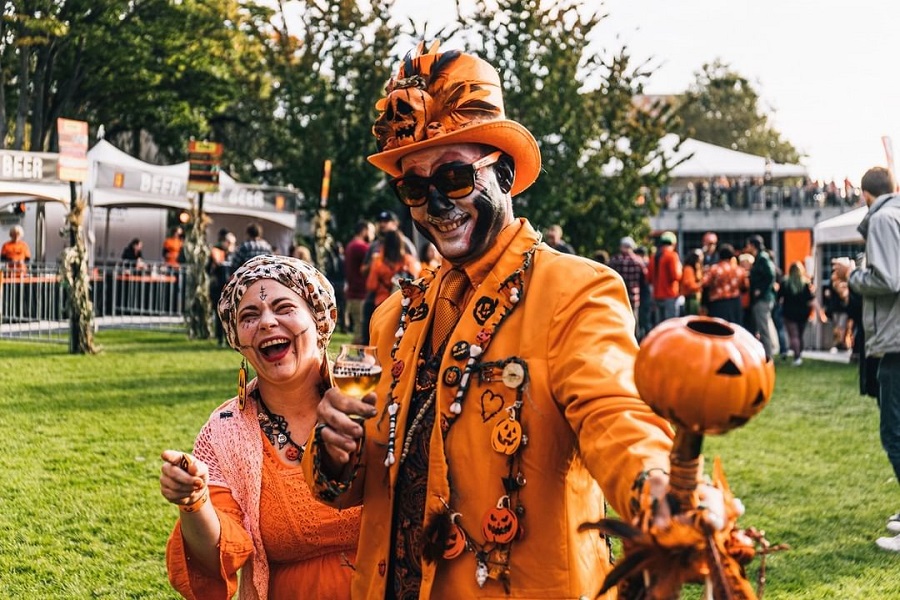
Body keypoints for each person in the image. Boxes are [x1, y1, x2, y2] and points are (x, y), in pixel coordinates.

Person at [303, 42, 679, 599]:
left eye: (455, 177)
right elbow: (360, 477)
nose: (436, 203)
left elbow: (615, 412)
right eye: (414, 186)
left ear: (502, 173)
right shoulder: (391, 317)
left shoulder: (576, 290)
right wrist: (334, 448)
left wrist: (656, 491)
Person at [159, 254, 361, 598]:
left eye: (284, 308)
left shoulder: (370, 398)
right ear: (237, 339)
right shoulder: (223, 433)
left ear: (321, 320)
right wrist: (195, 502)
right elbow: (218, 556)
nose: (267, 323)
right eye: (249, 316)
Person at [832, 166, 900, 552]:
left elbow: (888, 279)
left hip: (896, 342)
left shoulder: (883, 219)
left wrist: (851, 273)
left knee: (895, 433)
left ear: (864, 195)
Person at [366, 229, 422, 308]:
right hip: (405, 304)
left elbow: (371, 286)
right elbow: (417, 280)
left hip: (383, 304)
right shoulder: (409, 261)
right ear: (401, 244)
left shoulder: (378, 262)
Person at [744, 234, 777, 359]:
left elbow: (770, 275)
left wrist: (760, 290)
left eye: (748, 245)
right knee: (762, 328)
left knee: (763, 329)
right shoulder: (760, 257)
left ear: (753, 245)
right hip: (762, 298)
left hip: (763, 299)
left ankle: (768, 356)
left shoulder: (762, 258)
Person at [777, 261, 815, 366]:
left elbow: (779, 297)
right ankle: (799, 354)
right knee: (800, 335)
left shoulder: (785, 283)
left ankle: (797, 356)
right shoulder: (805, 284)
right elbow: (810, 299)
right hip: (803, 313)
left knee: (794, 336)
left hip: (789, 312)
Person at [607, 236, 647, 336]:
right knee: (634, 319)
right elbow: (645, 279)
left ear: (621, 247)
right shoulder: (639, 261)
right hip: (634, 296)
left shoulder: (615, 260)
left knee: (619, 319)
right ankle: (635, 341)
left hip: (617, 295)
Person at [345, 220, 375, 344]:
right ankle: (356, 359)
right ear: (364, 231)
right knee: (361, 331)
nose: (373, 235)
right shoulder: (361, 247)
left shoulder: (351, 245)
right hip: (360, 294)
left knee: (359, 328)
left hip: (354, 293)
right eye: (371, 231)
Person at [701, 244, 745, 325]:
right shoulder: (739, 270)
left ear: (719, 255)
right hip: (735, 304)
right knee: (735, 329)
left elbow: (705, 284)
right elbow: (745, 286)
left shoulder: (714, 269)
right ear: (732, 256)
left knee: (719, 330)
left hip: (718, 304)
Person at [647, 231, 682, 328]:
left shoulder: (653, 257)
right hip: (670, 295)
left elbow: (648, 278)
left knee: (659, 326)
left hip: (657, 296)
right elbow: (676, 276)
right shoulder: (672, 256)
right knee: (671, 325)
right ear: (673, 243)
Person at [207, 228, 236, 347]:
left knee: (230, 315)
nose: (228, 244)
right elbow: (209, 269)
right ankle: (220, 338)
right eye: (227, 241)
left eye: (231, 242)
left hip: (230, 288)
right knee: (219, 314)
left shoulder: (234, 255)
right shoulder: (216, 252)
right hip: (218, 288)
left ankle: (229, 339)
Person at [680, 248, 705, 316]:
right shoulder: (688, 269)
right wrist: (702, 284)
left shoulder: (695, 269)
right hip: (691, 299)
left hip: (696, 298)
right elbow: (690, 285)